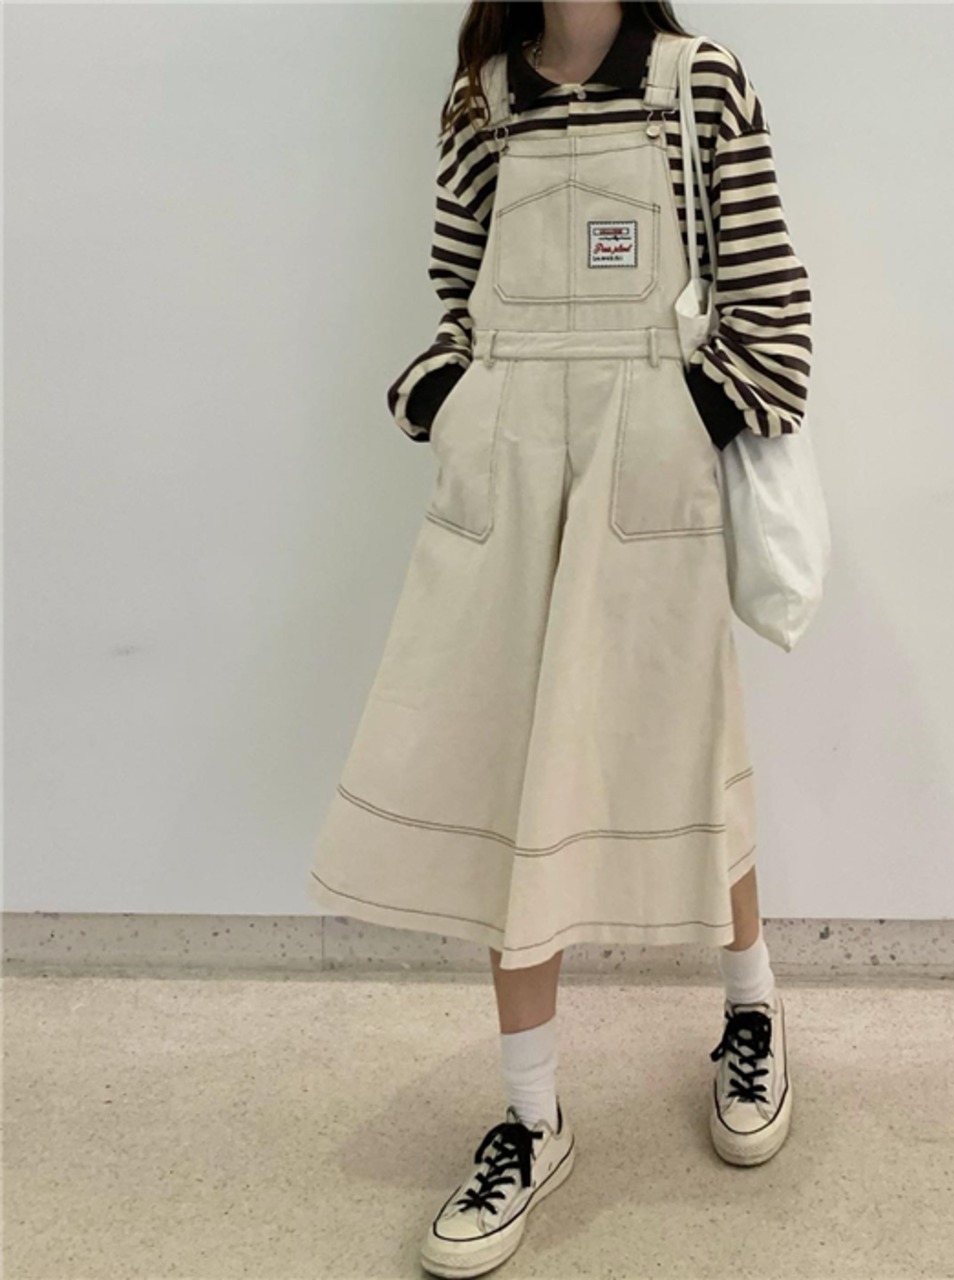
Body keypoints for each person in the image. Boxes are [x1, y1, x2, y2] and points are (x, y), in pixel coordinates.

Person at [307, 3, 812, 1274]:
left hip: (647, 467)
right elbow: (454, 297)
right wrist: (448, 398)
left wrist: (685, 413)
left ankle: (750, 1009)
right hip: (509, 475)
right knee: (504, 774)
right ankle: (531, 1116)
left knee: (688, 743)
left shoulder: (699, 83)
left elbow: (771, 307)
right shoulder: (483, 98)